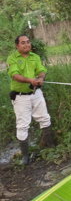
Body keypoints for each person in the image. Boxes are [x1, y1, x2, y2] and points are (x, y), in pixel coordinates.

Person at [7, 35, 55, 165]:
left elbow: (41, 70)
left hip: (36, 94)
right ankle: (25, 157)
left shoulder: (35, 57)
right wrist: (30, 80)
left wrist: (41, 78)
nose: (26, 45)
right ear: (17, 46)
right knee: (22, 125)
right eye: (23, 43)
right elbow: (15, 75)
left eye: (28, 42)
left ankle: (51, 148)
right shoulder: (12, 58)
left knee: (45, 118)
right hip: (20, 97)